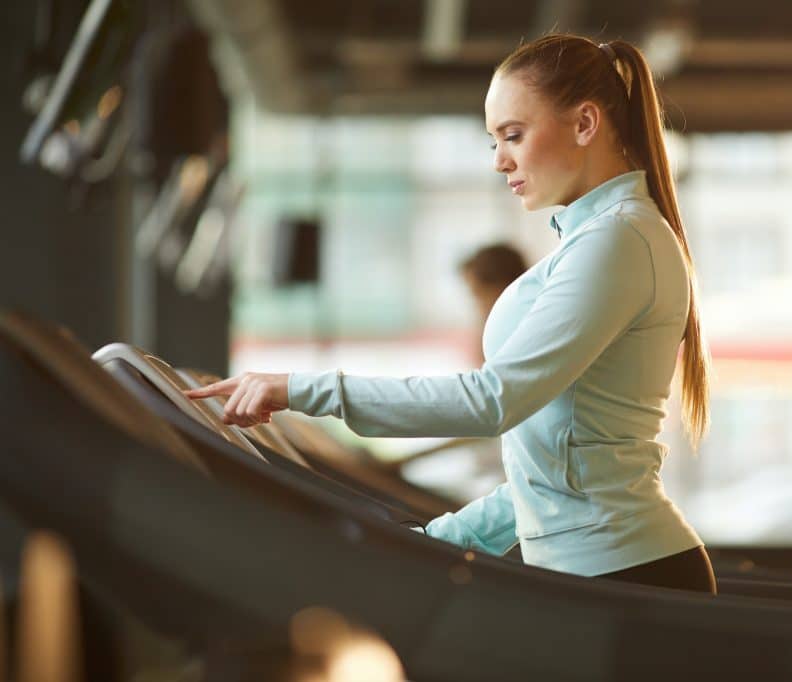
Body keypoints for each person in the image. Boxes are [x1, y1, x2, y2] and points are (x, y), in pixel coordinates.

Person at [186, 34, 715, 594]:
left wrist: (301, 388)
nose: (498, 161)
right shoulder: (599, 240)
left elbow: (492, 402)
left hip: (627, 574)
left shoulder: (619, 241)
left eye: (512, 135)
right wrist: (439, 539)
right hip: (606, 571)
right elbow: (548, 483)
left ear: (585, 124)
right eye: (493, 141)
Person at [460, 243, 529, 364]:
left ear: (502, 288)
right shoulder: (490, 334)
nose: (477, 306)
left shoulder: (518, 337)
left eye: (479, 294)